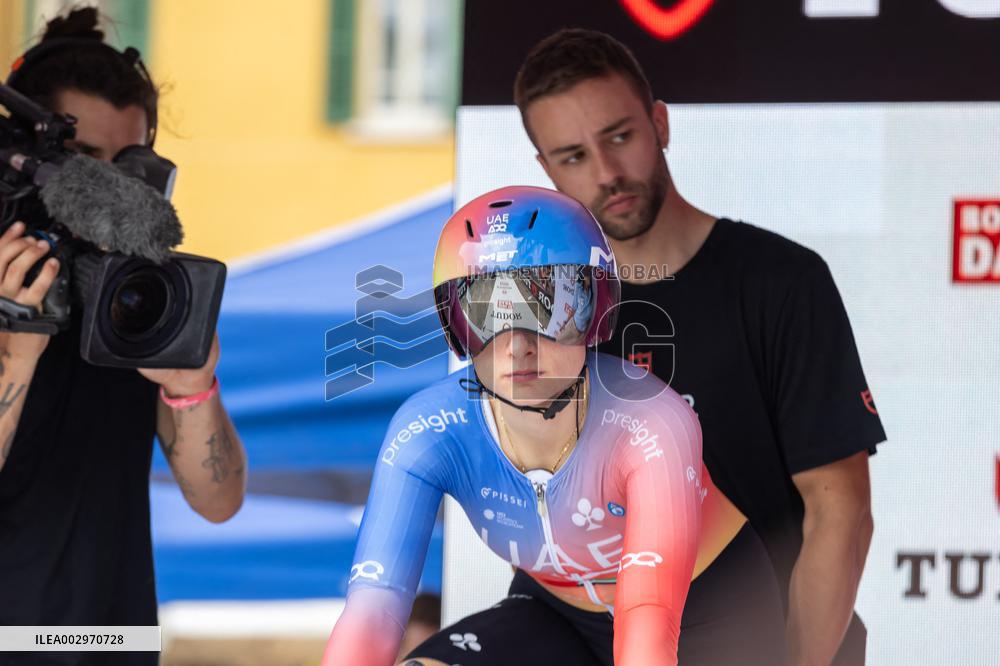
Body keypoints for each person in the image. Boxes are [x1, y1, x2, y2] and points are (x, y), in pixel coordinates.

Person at [513, 28, 887, 665]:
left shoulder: (779, 280)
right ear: (546, 171)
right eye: (574, 156)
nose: (607, 174)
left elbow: (840, 513)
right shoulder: (543, 310)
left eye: (620, 137)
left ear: (660, 123)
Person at [322, 186, 786, 666]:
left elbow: (650, 612)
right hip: (554, 614)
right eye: (487, 313)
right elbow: (374, 608)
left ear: (597, 310)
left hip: (712, 614)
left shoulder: (651, 420)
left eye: (548, 307)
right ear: (454, 323)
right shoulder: (427, 429)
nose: (516, 344)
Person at [0, 9, 246, 665]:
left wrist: (193, 386)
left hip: (115, 640)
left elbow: (219, 500)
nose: (106, 191)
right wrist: (17, 347)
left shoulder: (143, 293)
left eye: (128, 163)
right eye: (81, 162)